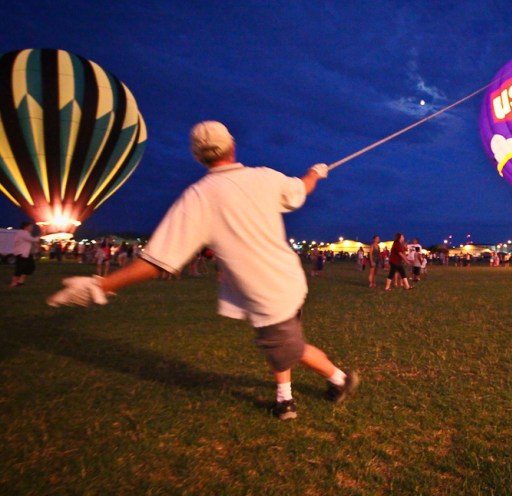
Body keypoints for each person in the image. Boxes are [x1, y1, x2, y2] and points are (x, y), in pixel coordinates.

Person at [48, 120, 359, 420]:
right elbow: (301, 190)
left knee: (287, 347)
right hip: (283, 280)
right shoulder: (264, 177)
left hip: (270, 290)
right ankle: (285, 397)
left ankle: (339, 379)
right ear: (232, 147)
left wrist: (99, 286)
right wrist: (315, 173)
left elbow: (156, 262)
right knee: (275, 339)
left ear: (198, 156)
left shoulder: (197, 197)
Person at [9, 221, 40, 287]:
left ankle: (20, 281)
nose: (32, 228)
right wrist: (42, 233)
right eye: (30, 226)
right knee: (20, 268)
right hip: (21, 253)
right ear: (25, 227)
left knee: (30, 267)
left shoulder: (26, 233)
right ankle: (13, 283)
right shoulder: (22, 233)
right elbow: (34, 240)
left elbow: (32, 242)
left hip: (27, 254)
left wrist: (36, 247)